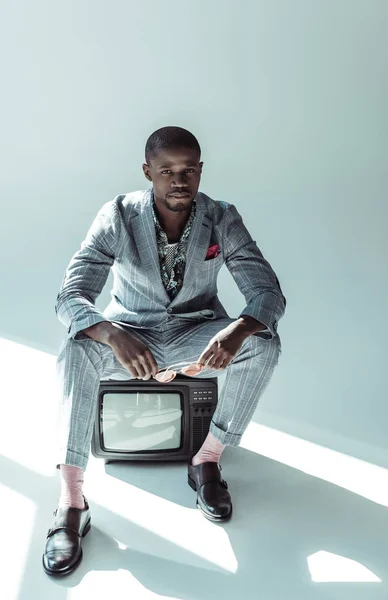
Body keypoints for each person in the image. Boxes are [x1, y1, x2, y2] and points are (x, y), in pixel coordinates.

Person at [42, 126, 286, 577]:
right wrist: (114, 335)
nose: (179, 181)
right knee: (76, 346)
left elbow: (268, 294)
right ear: (147, 172)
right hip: (132, 332)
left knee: (264, 341)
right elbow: (70, 296)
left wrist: (236, 331)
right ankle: (72, 503)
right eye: (167, 171)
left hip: (198, 330)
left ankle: (207, 459)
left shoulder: (221, 217)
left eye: (188, 170)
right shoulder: (117, 215)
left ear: (200, 171)